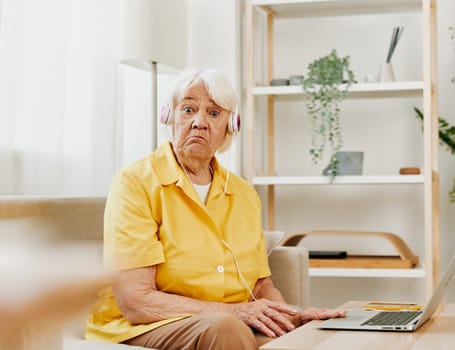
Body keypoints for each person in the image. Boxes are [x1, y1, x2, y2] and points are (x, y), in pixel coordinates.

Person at [85, 67, 346, 350]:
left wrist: (290, 317)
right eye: (188, 109)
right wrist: (234, 312)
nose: (199, 122)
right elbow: (137, 301)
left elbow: (260, 286)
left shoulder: (244, 194)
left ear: (230, 126)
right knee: (226, 328)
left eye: (213, 113)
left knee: (299, 340)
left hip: (227, 321)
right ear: (168, 116)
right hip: (146, 325)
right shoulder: (135, 182)